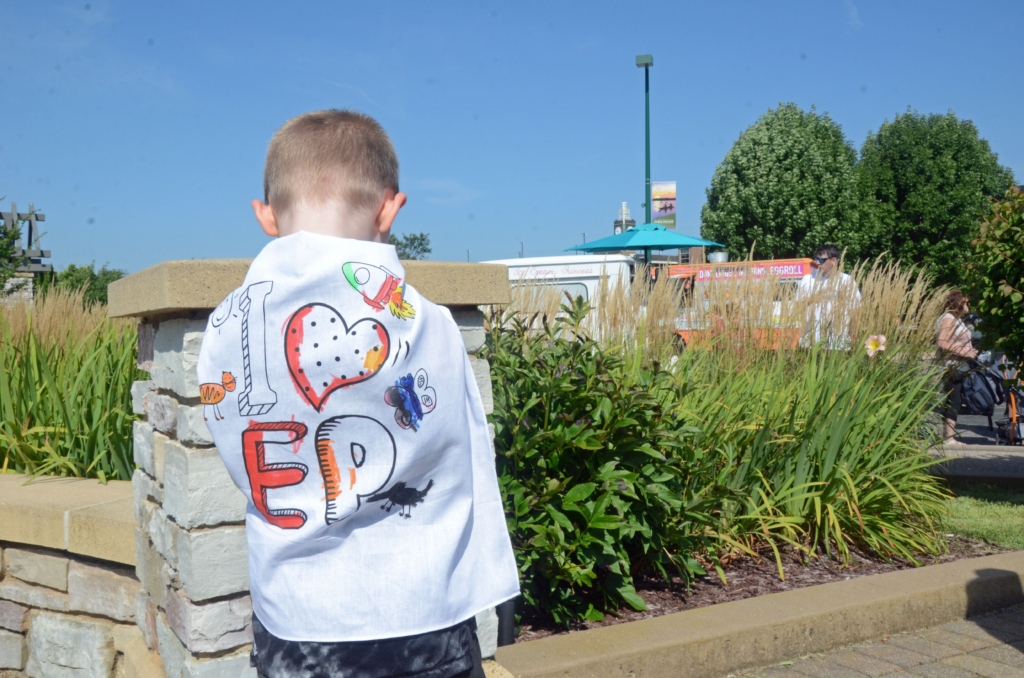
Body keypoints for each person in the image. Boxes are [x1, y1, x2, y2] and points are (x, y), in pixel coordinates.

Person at [197, 110, 519, 678]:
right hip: (426, 612)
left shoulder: (229, 329)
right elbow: (462, 450)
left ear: (266, 217)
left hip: (298, 619)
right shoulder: (430, 324)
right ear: (390, 208)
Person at [797, 244, 861, 349]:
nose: (817, 263)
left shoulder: (847, 281)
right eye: (816, 259)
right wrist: (812, 299)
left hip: (838, 342)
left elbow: (855, 311)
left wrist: (855, 337)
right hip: (811, 342)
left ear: (833, 260)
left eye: (821, 260)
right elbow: (798, 306)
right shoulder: (808, 279)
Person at [936, 289, 978, 444]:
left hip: (957, 365)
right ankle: (948, 438)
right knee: (953, 399)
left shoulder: (956, 319)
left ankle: (948, 436)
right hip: (951, 366)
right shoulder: (949, 319)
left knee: (955, 399)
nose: (968, 304)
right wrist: (965, 352)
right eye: (965, 302)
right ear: (958, 304)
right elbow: (942, 342)